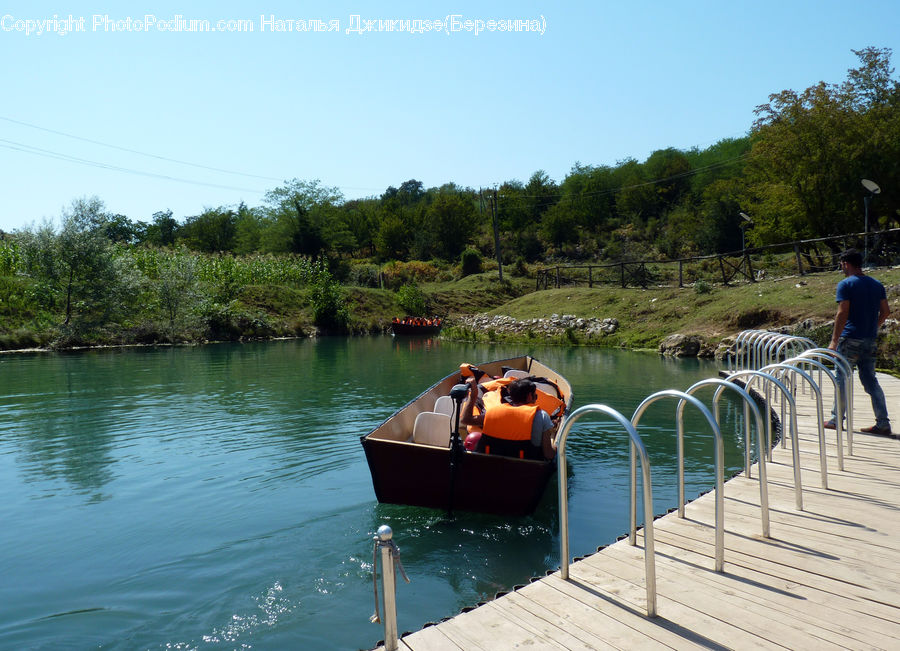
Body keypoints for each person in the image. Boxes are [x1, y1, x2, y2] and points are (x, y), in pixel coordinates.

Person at [826, 249, 892, 437]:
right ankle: (883, 422)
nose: (841, 268)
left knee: (842, 379)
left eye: (841, 264)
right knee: (870, 380)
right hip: (869, 339)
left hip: (850, 339)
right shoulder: (877, 284)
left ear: (846, 264)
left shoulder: (846, 284)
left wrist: (834, 341)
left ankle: (836, 420)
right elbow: (886, 311)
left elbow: (842, 312)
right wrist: (874, 327)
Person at [460, 376, 558, 460]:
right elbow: (549, 455)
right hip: (527, 469)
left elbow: (465, 419)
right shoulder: (542, 416)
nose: (535, 399)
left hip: (492, 466)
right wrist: (557, 447)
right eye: (535, 396)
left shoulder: (493, 413)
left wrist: (473, 396)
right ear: (529, 397)